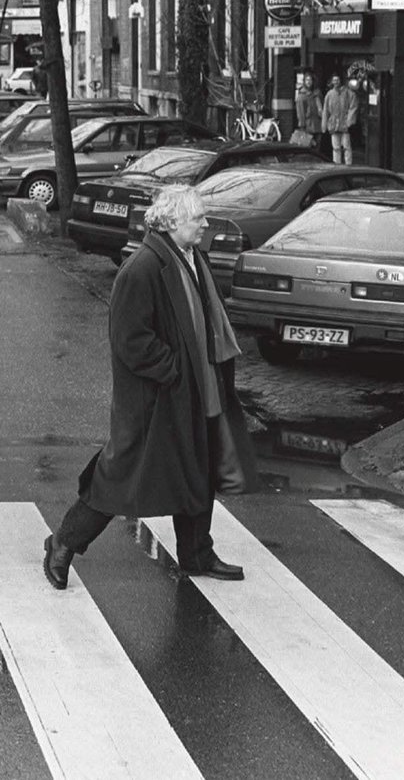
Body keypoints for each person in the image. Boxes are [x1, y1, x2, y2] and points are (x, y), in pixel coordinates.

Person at [42, 185, 259, 591]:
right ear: (174, 221)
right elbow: (130, 340)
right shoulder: (141, 268)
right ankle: (62, 543)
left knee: (200, 469)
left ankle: (197, 552)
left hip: (196, 391)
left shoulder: (194, 258)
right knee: (118, 478)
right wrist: (175, 369)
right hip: (154, 401)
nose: (205, 224)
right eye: (199, 218)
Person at [322, 73, 358, 164]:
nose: (335, 82)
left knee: (346, 146)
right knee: (336, 148)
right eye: (334, 80)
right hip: (333, 124)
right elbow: (325, 110)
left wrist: (349, 121)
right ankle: (337, 165)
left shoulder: (348, 93)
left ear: (340, 81)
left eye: (337, 80)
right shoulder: (329, 94)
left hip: (344, 124)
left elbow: (353, 106)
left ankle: (348, 165)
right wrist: (324, 124)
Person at [294, 72, 322, 148]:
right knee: (307, 146)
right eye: (307, 80)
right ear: (304, 81)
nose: (309, 82)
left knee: (317, 146)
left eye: (310, 80)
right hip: (307, 125)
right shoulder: (301, 96)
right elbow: (300, 112)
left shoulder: (317, 94)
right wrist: (302, 126)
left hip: (318, 124)